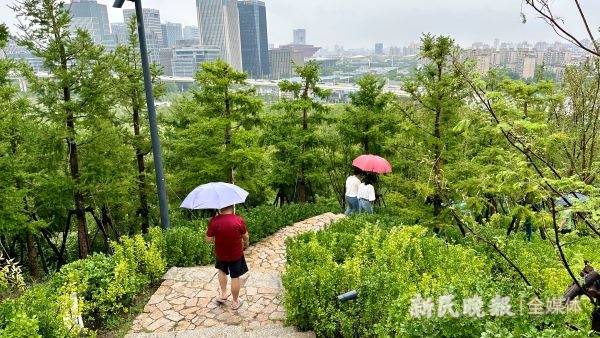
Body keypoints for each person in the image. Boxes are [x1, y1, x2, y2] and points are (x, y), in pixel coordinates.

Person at [206, 205, 250, 310]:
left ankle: (223, 295)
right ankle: (235, 302)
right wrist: (246, 243)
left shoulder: (214, 221)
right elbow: (246, 236)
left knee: (221, 271)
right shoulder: (238, 220)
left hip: (221, 254)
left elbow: (208, 240)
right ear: (232, 207)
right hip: (236, 255)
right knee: (235, 277)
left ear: (220, 208)